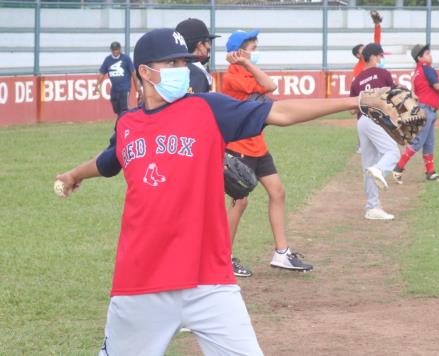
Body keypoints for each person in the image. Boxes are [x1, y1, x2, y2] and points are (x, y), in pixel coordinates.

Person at [55, 28, 362, 355]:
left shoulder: (208, 108)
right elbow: (108, 161)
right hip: (141, 282)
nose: (182, 69)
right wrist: (75, 174)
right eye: (172, 62)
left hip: (209, 282)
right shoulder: (128, 125)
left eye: (184, 61)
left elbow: (281, 112)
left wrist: (356, 101)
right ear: (145, 72)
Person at [221, 30, 313, 277]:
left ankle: (281, 253)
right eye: (252, 46)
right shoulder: (233, 76)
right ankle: (223, 257)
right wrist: (245, 63)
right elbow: (270, 85)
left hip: (257, 145)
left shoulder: (247, 70)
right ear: (239, 52)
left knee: (277, 192)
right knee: (240, 201)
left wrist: (248, 63)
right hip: (238, 147)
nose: (256, 51)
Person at [392, 44, 439, 184]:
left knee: (429, 143)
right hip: (426, 111)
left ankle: (431, 172)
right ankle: (398, 169)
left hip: (427, 109)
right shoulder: (427, 69)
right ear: (420, 58)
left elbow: (428, 93)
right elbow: (437, 87)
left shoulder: (417, 72)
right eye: (427, 53)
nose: (430, 56)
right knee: (418, 142)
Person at [350, 43, 400, 221]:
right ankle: (380, 169)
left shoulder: (357, 80)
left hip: (362, 121)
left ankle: (372, 207)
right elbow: (393, 96)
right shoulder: (383, 74)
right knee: (392, 152)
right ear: (372, 56)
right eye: (379, 56)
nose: (381, 59)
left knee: (367, 164)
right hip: (376, 118)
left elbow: (352, 107)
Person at [96, 41, 142, 118]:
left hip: (125, 89)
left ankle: (122, 126)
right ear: (111, 50)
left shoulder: (126, 59)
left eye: (117, 49)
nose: (115, 51)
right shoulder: (108, 60)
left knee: (124, 110)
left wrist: (138, 88)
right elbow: (101, 73)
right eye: (113, 50)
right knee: (117, 110)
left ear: (120, 49)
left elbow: (133, 73)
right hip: (114, 89)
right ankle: (122, 124)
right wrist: (98, 86)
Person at [175, 18, 219, 94]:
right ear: (200, 45)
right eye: (208, 41)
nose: (209, 46)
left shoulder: (175, 66)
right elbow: (194, 101)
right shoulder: (195, 72)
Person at [352, 10, 382, 78]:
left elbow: (377, 40)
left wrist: (377, 24)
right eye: (362, 49)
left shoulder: (373, 56)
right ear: (358, 55)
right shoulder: (358, 69)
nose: (366, 49)